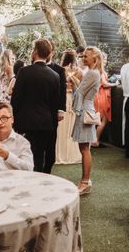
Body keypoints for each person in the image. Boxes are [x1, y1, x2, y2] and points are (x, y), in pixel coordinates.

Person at [11, 38, 61, 173]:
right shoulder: (55, 76)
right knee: (39, 156)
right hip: (45, 123)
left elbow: (16, 99)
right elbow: (54, 104)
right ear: (49, 54)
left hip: (25, 122)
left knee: (24, 155)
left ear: (35, 52)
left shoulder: (24, 72)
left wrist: (13, 120)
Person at [71, 46, 102, 194]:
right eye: (83, 56)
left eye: (86, 56)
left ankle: (85, 182)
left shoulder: (92, 73)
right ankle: (85, 180)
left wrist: (75, 108)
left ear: (94, 59)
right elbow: (81, 91)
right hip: (86, 108)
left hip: (84, 110)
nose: (83, 58)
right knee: (84, 148)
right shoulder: (94, 73)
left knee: (84, 149)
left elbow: (79, 93)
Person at [56, 50, 83, 164]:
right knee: (71, 126)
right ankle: (72, 154)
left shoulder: (59, 70)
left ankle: (60, 153)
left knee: (61, 127)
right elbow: (82, 87)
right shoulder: (79, 71)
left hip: (63, 98)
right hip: (73, 98)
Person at [45, 39, 67, 172]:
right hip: (35, 113)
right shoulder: (31, 66)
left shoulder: (59, 69)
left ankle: (47, 170)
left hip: (52, 112)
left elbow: (62, 91)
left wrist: (61, 109)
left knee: (50, 144)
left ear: (52, 52)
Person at [92, 52, 118, 147]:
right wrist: (115, 84)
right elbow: (104, 84)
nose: (106, 61)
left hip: (97, 96)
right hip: (102, 96)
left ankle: (93, 139)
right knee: (103, 120)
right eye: (105, 59)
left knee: (96, 120)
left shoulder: (94, 70)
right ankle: (95, 140)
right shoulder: (101, 71)